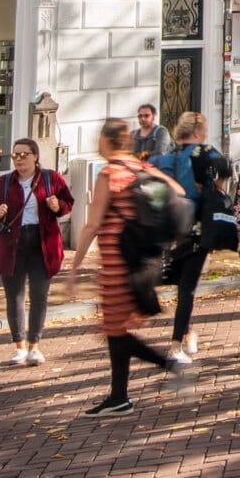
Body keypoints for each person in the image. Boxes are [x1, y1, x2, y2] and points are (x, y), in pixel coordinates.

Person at [71, 118, 184, 417]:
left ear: (107, 141)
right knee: (115, 330)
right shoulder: (142, 168)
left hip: (116, 263)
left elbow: (93, 224)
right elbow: (177, 193)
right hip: (141, 261)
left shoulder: (110, 172)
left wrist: (73, 267)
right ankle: (119, 396)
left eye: (99, 138)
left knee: (116, 331)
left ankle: (169, 366)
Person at [0, 138, 74, 367]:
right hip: (13, 243)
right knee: (14, 296)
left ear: (35, 156)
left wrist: (57, 206)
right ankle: (19, 347)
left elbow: (67, 201)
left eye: (24, 154)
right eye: (15, 155)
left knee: (39, 295)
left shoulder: (50, 179)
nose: (19, 159)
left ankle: (35, 346)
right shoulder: (3, 183)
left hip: (42, 243)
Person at [164, 111, 228, 363]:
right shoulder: (205, 153)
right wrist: (214, 187)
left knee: (182, 285)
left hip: (171, 227)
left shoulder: (169, 156)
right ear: (199, 131)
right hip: (196, 228)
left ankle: (187, 333)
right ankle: (175, 345)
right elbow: (226, 167)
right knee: (187, 289)